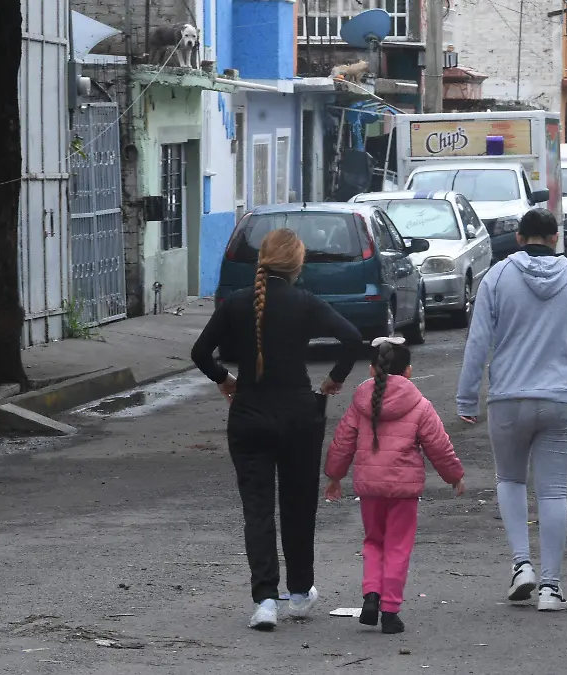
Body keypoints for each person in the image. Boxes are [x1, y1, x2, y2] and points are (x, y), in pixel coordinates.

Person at [190, 228, 365, 631]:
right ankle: (300, 593)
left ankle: (265, 601)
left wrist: (224, 379)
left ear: (262, 262)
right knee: (298, 507)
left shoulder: (236, 303)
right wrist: (334, 379)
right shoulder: (305, 302)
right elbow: (352, 338)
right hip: (299, 418)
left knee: (258, 511)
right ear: (297, 265)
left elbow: (200, 352)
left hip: (249, 416)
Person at [456, 208, 567, 612]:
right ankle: (551, 588)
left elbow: (478, 340)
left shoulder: (496, 277)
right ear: (555, 238)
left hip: (509, 399)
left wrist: (466, 398)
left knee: (511, 480)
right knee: (553, 491)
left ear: (518, 237)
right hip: (563, 400)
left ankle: (521, 565)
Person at [324, 337, 466, 635]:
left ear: (372, 370)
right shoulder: (419, 405)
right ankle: (389, 610)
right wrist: (454, 477)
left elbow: (342, 442)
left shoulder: (359, 402)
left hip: (369, 489)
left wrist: (334, 477)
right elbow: (438, 446)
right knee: (398, 547)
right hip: (403, 490)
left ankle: (371, 595)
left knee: (373, 542)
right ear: (409, 371)